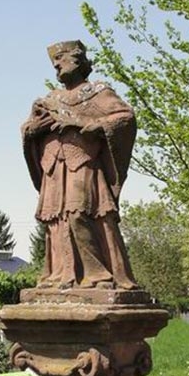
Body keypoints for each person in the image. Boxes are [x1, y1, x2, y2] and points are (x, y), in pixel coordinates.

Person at [22, 40, 138, 290]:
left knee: (80, 213)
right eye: (53, 62)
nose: (56, 65)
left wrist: (86, 124)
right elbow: (28, 128)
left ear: (77, 59)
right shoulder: (50, 99)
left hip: (82, 162)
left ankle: (99, 275)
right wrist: (33, 130)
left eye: (60, 59)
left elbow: (124, 118)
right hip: (54, 166)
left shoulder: (96, 92)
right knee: (55, 220)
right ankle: (60, 275)